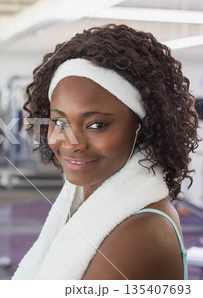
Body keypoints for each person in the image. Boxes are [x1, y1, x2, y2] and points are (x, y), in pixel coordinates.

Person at [12, 24, 200, 280]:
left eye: (97, 125)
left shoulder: (141, 232)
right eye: (60, 122)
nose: (72, 142)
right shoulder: (83, 199)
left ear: (142, 127)